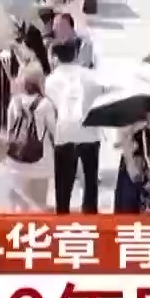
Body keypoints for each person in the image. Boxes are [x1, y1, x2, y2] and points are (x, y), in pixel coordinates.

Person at [43, 41, 101, 213]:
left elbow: (49, 108)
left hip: (64, 133)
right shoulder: (91, 76)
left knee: (63, 182)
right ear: (76, 54)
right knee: (90, 181)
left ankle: (63, 215)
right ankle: (90, 214)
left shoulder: (50, 80)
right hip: (89, 131)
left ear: (55, 57)